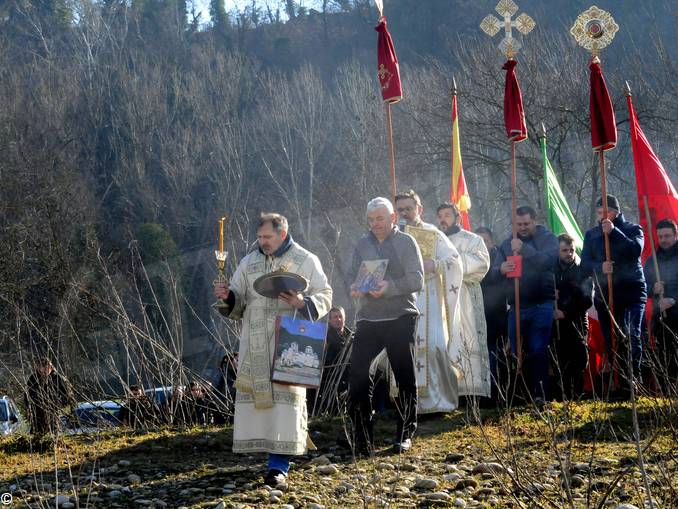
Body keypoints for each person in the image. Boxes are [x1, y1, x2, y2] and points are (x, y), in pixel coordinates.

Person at [214, 212, 332, 488]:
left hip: (290, 341)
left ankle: (278, 465)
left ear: (282, 233)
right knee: (259, 402)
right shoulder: (248, 261)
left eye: (267, 237)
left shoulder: (306, 259)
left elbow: (325, 293)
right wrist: (227, 296)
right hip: (254, 341)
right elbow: (238, 301)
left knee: (284, 404)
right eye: (259, 237)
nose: (262, 242)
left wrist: (303, 302)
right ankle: (267, 457)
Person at [347, 196, 424, 455]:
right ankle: (362, 438)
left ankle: (405, 433)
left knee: (403, 373)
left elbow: (417, 279)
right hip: (368, 317)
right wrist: (355, 288)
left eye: (380, 218)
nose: (375, 224)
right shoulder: (361, 243)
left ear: (392, 218)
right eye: (370, 220)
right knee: (357, 372)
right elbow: (351, 275)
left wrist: (389, 287)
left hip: (401, 315)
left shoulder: (406, 241)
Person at [395, 191, 463, 415]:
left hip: (430, 299)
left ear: (419, 209)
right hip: (402, 300)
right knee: (404, 350)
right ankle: (409, 404)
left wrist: (433, 264)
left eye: (408, 208)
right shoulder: (394, 237)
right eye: (400, 209)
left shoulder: (432, 233)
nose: (404, 213)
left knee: (433, 346)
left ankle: (439, 401)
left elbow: (454, 260)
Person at [490, 206, 559, 403]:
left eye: (526, 224)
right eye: (518, 224)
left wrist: (525, 250)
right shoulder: (507, 244)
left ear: (534, 221)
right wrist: (501, 268)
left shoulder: (547, 238)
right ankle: (521, 392)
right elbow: (494, 271)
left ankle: (540, 393)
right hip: (517, 305)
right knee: (516, 350)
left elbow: (548, 261)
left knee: (538, 348)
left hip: (541, 304)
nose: (522, 227)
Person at [581, 195, 646, 392]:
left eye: (605, 212)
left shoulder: (632, 229)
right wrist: (600, 267)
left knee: (631, 334)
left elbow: (635, 250)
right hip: (605, 294)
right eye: (599, 213)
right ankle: (618, 382)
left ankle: (634, 379)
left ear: (615, 212)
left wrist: (614, 232)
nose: (602, 217)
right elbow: (584, 265)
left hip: (631, 292)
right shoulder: (592, 235)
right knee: (612, 340)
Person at [437, 202, 491, 399]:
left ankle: (472, 391)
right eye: (440, 216)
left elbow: (482, 263)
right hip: (442, 300)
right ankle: (447, 391)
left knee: (469, 338)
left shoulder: (472, 240)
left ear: (457, 218)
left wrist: (453, 264)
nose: (443, 219)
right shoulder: (436, 241)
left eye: (447, 215)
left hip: (465, 297)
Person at [552, 234, 593, 400]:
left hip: (576, 322)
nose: (568, 253)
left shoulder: (582, 270)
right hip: (555, 324)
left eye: (571, 250)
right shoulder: (551, 269)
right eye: (564, 250)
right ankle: (562, 397)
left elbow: (586, 300)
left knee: (578, 361)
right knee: (560, 362)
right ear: (558, 250)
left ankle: (576, 397)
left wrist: (566, 312)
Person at [643, 218, 678, 395]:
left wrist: (673, 300)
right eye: (660, 236)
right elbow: (643, 286)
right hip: (661, 319)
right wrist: (653, 289)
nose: (663, 240)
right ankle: (667, 397)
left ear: (675, 235)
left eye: (667, 236)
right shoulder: (653, 260)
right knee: (664, 358)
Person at [476, 227, 508, 402]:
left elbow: (493, 276)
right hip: (477, 313)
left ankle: (497, 394)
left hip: (497, 315)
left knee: (495, 354)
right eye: (478, 241)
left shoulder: (498, 257)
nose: (482, 245)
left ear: (492, 242)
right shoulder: (473, 258)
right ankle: (483, 394)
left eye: (485, 241)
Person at [310, 307, 352, 416]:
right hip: (330, 378)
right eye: (335, 317)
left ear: (344, 318)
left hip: (349, 377)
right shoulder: (324, 336)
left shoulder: (351, 336)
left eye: (340, 316)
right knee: (335, 412)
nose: (338, 319)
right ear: (329, 320)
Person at [24, 358, 73, 435]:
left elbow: (68, 396)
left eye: (45, 366)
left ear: (50, 367)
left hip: (53, 414)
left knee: (53, 435)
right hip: (37, 415)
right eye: (40, 367)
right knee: (36, 436)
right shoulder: (33, 379)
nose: (43, 369)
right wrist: (30, 409)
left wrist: (57, 405)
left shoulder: (58, 378)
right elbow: (27, 396)